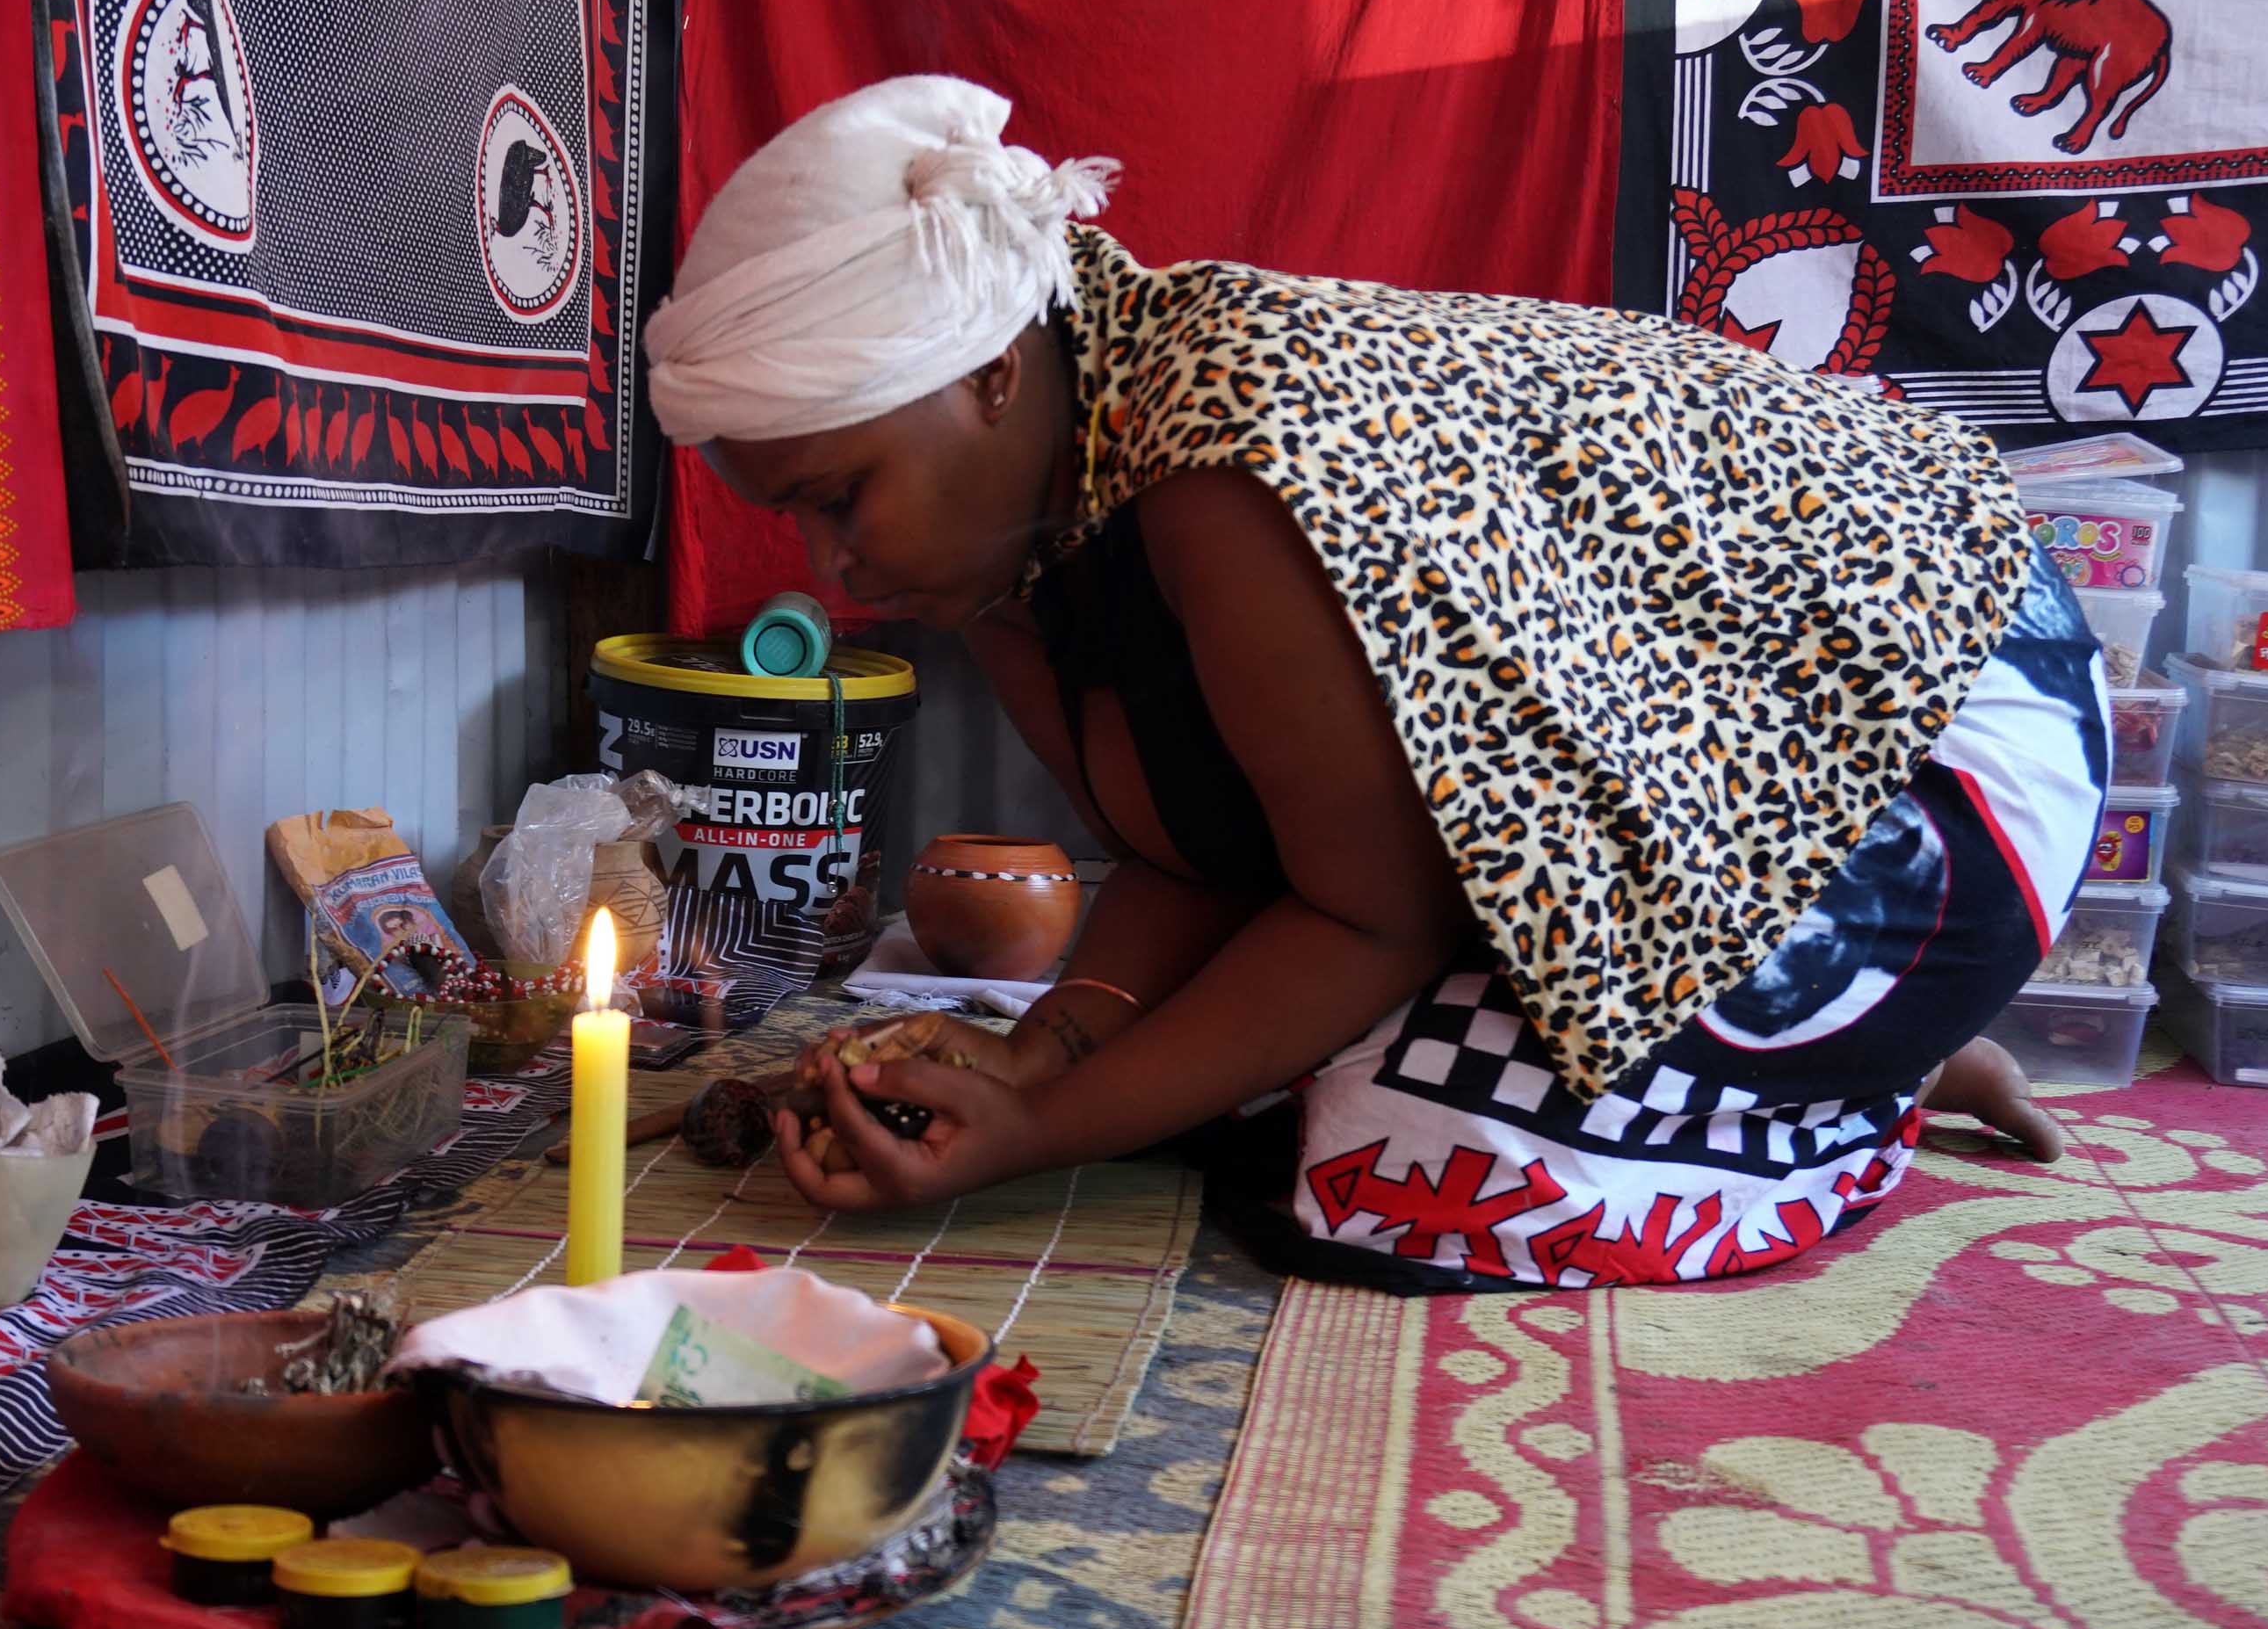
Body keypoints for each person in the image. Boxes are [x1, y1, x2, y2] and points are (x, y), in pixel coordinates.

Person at [641, 77, 2106, 1292]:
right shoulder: (1022, 513)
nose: (835, 567)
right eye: (800, 521)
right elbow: (1193, 850)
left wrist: (1043, 1131)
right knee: (1238, 1059)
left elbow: (1369, 911)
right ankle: (1793, 1052)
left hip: (1914, 740)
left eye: (842, 497)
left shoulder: (1224, 457)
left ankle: (1851, 1071)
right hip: (1702, 774)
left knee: (1393, 1153)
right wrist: (1043, 1059)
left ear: (990, 376)